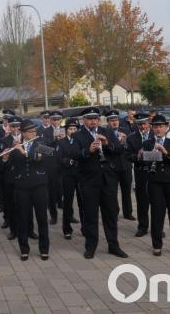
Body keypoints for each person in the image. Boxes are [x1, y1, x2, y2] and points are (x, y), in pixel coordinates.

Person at [69, 107, 128, 259]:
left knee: (110, 214)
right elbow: (74, 154)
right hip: (89, 180)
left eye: (95, 118)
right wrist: (88, 150)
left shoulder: (106, 131)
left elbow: (119, 151)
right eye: (90, 119)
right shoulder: (77, 135)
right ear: (84, 120)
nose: (93, 121)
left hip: (108, 179)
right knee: (90, 215)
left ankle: (113, 245)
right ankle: (90, 246)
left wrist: (107, 144)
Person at [6, 119, 50, 261]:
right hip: (22, 187)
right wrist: (6, 157)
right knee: (23, 219)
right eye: (30, 132)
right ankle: (24, 249)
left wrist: (24, 152)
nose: (33, 133)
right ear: (23, 133)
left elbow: (38, 159)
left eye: (34, 131)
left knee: (42, 218)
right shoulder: (16, 146)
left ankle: (44, 248)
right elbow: (8, 166)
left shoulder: (41, 144)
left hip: (39, 186)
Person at [143, 114, 170, 257]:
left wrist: (165, 152)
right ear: (152, 128)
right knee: (157, 214)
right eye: (155, 126)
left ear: (166, 128)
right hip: (155, 182)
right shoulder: (148, 143)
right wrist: (154, 153)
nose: (158, 129)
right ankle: (157, 245)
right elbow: (144, 162)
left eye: (161, 126)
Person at [126, 112, 154, 237]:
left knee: (157, 201)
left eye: (144, 124)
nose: (142, 127)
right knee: (142, 201)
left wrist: (146, 156)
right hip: (140, 172)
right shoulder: (131, 138)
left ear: (149, 123)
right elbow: (128, 156)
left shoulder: (156, 135)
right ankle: (142, 226)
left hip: (155, 172)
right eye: (139, 124)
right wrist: (138, 156)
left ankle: (157, 227)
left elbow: (162, 154)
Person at [106, 110, 135, 221]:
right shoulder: (105, 132)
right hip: (113, 166)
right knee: (113, 192)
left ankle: (128, 212)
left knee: (126, 191)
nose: (115, 122)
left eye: (116, 120)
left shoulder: (126, 130)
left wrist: (126, 140)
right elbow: (107, 149)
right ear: (108, 122)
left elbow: (131, 146)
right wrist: (117, 141)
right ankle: (114, 212)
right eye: (112, 120)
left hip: (126, 165)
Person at [57, 118, 83, 240]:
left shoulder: (81, 141)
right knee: (68, 202)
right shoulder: (61, 142)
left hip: (80, 174)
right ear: (66, 130)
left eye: (75, 129)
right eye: (70, 129)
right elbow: (58, 158)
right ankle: (67, 229)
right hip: (67, 174)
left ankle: (85, 227)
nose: (73, 131)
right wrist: (68, 161)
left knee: (83, 202)